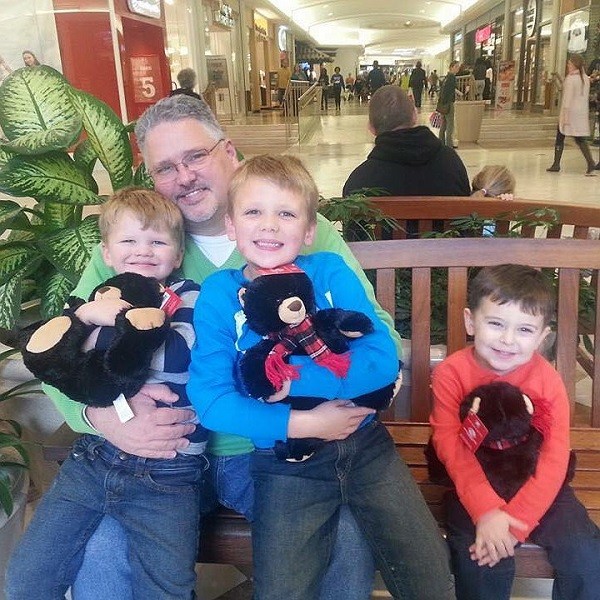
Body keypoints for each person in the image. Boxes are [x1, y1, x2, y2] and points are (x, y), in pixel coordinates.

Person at [45, 94, 402, 599]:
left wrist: (305, 394)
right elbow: (63, 342)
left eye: (195, 156)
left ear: (229, 151)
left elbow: (373, 329)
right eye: (165, 168)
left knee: (342, 532)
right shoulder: (139, 244)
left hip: (266, 450)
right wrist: (97, 417)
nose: (184, 177)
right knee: (102, 546)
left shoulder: (289, 228)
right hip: (154, 453)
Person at [190, 154, 455, 600]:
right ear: (232, 227)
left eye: (286, 213)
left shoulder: (328, 272)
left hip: (367, 448)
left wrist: (292, 383)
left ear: (309, 229)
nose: (269, 226)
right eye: (254, 212)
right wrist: (304, 423)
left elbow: (381, 360)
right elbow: (211, 400)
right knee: (283, 589)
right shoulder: (220, 294)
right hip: (284, 464)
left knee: (428, 573)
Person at [6, 187, 207, 599]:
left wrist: (100, 329)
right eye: (129, 241)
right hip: (95, 459)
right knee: (27, 578)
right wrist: (82, 318)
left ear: (177, 253)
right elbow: (49, 357)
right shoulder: (92, 300)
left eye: (157, 241)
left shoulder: (187, 297)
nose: (143, 251)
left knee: (166, 588)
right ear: (107, 253)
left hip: (169, 471)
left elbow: (177, 358)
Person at [430, 264, 600, 600]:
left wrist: (514, 520)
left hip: (538, 483)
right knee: (481, 560)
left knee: (585, 553)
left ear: (542, 337)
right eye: (495, 323)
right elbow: (451, 446)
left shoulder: (546, 379)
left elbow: (554, 457)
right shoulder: (452, 372)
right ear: (470, 321)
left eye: (524, 330)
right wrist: (487, 511)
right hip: (474, 483)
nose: (508, 340)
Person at [343, 85, 470, 236]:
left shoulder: (359, 182)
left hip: (384, 259)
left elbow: (354, 239)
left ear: (371, 128)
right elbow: (466, 224)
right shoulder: (451, 163)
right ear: (414, 115)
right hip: (446, 258)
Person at [547, 54, 595, 176]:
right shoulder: (585, 78)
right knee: (579, 138)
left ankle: (556, 164)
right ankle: (590, 161)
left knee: (560, 136)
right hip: (580, 113)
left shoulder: (570, 79)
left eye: (569, 63)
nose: (567, 65)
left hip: (569, 113)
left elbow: (567, 100)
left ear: (574, 64)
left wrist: (565, 116)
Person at [439, 61, 461, 147]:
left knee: (444, 124)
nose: (457, 69)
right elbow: (452, 90)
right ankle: (449, 144)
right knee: (450, 125)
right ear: (451, 67)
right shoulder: (452, 77)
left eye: (458, 67)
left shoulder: (446, 77)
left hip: (443, 104)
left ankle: (441, 142)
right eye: (456, 67)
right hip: (449, 104)